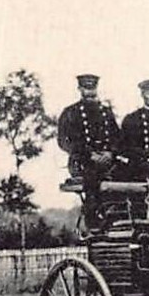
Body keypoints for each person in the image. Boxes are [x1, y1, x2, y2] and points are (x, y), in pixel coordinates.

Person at [56, 74, 120, 224]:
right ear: (80, 89)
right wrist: (88, 154)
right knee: (92, 178)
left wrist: (110, 153)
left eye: (93, 88)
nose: (90, 92)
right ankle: (93, 221)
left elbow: (118, 138)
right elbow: (63, 141)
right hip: (83, 161)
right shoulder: (71, 113)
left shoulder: (106, 112)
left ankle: (120, 218)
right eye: (86, 88)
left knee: (129, 174)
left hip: (107, 160)